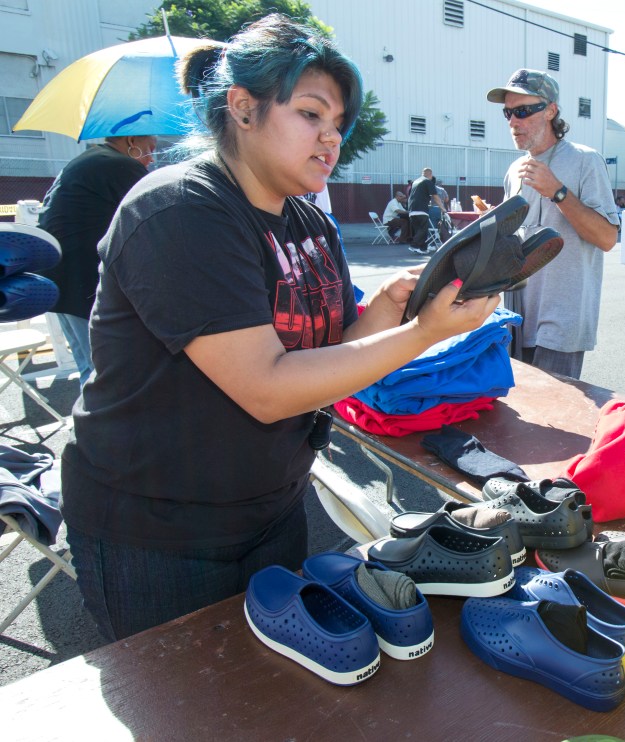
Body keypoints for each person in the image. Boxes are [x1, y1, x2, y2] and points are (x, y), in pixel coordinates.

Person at [59, 14, 499, 643]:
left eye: (338, 124)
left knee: (273, 698)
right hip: (161, 533)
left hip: (271, 509)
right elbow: (266, 388)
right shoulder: (181, 210)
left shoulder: (308, 222)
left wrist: (388, 310)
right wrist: (421, 334)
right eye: (311, 114)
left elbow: (323, 363)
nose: (331, 139)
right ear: (242, 108)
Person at [486, 68, 618, 380]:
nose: (513, 122)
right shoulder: (515, 169)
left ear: (550, 111)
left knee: (554, 421)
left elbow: (608, 238)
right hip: (516, 314)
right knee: (518, 413)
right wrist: (493, 223)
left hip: (561, 319)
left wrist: (558, 192)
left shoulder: (586, 161)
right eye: (508, 113)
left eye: (522, 111)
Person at [37, 135, 158, 386]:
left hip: (60, 279)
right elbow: (158, 215)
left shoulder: (87, 160)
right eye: (149, 149)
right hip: (86, 283)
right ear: (131, 141)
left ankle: (85, 424)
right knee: (107, 376)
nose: (150, 159)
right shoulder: (119, 166)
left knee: (90, 371)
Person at [407, 167, 445, 254]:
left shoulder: (415, 182)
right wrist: (442, 208)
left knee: (418, 229)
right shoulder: (427, 181)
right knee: (423, 229)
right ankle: (414, 245)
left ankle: (422, 248)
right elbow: (435, 196)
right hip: (421, 209)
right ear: (430, 174)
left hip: (412, 209)